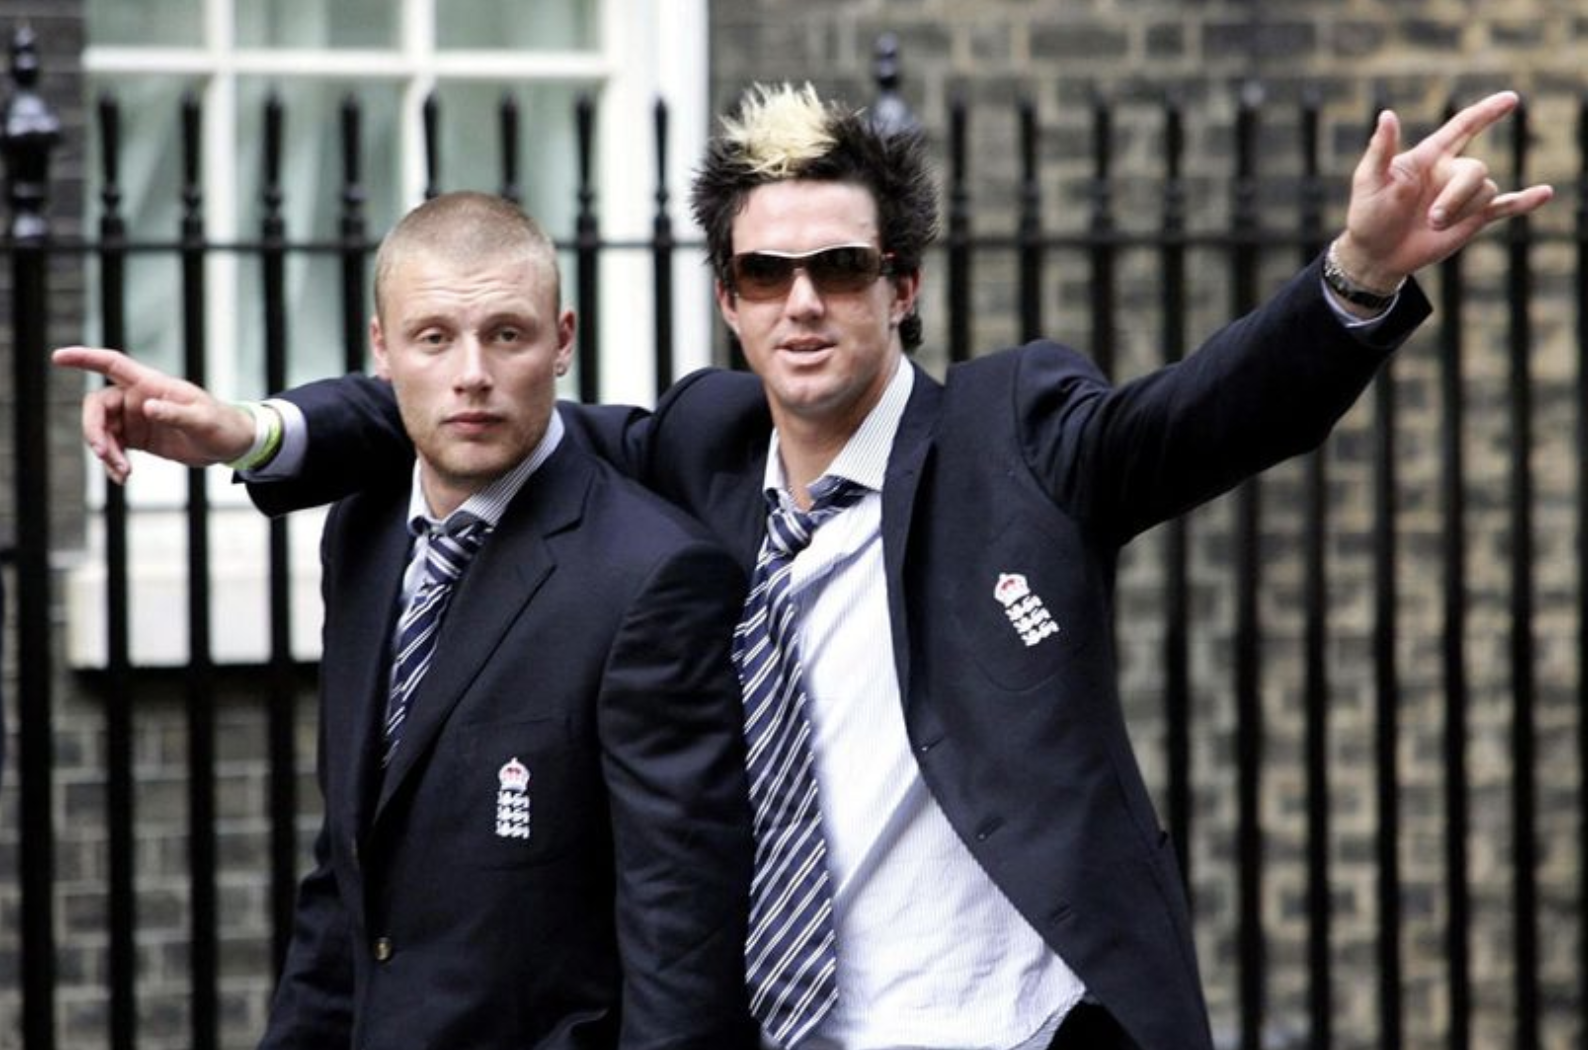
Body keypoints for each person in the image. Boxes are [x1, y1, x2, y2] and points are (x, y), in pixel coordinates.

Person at [60, 84, 1552, 1050]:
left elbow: (1203, 415)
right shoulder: (698, 453)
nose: (806, 304)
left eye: (843, 269)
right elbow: (485, 416)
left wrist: (1353, 280)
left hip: (1006, 1026)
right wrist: (252, 431)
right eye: (768, 274)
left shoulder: (1013, 436)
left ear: (901, 286)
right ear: (728, 299)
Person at [60, 191, 759, 1049]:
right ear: (381, 350)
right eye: (434, 337)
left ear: (564, 341)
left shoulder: (653, 575)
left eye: (508, 334)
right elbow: (349, 872)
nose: (473, 373)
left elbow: (680, 934)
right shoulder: (364, 528)